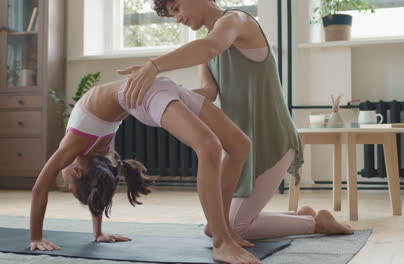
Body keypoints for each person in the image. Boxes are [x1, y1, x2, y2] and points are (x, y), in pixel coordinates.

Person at [117, 0, 353, 251]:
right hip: (239, 149)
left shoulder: (237, 20)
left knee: (237, 227)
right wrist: (161, 96)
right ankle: (300, 215)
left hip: (272, 141)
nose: (177, 19)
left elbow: (211, 46)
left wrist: (154, 66)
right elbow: (207, 92)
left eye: (176, 9)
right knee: (214, 226)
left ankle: (315, 223)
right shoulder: (206, 54)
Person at [29, 76, 263, 264]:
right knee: (231, 145)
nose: (63, 176)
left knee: (222, 146)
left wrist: (36, 237)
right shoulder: (96, 152)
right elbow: (97, 186)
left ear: (78, 173)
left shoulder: (73, 145)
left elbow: (40, 188)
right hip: (158, 86)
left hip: (151, 90)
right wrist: (98, 233)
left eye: (67, 185)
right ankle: (222, 232)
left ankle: (222, 239)